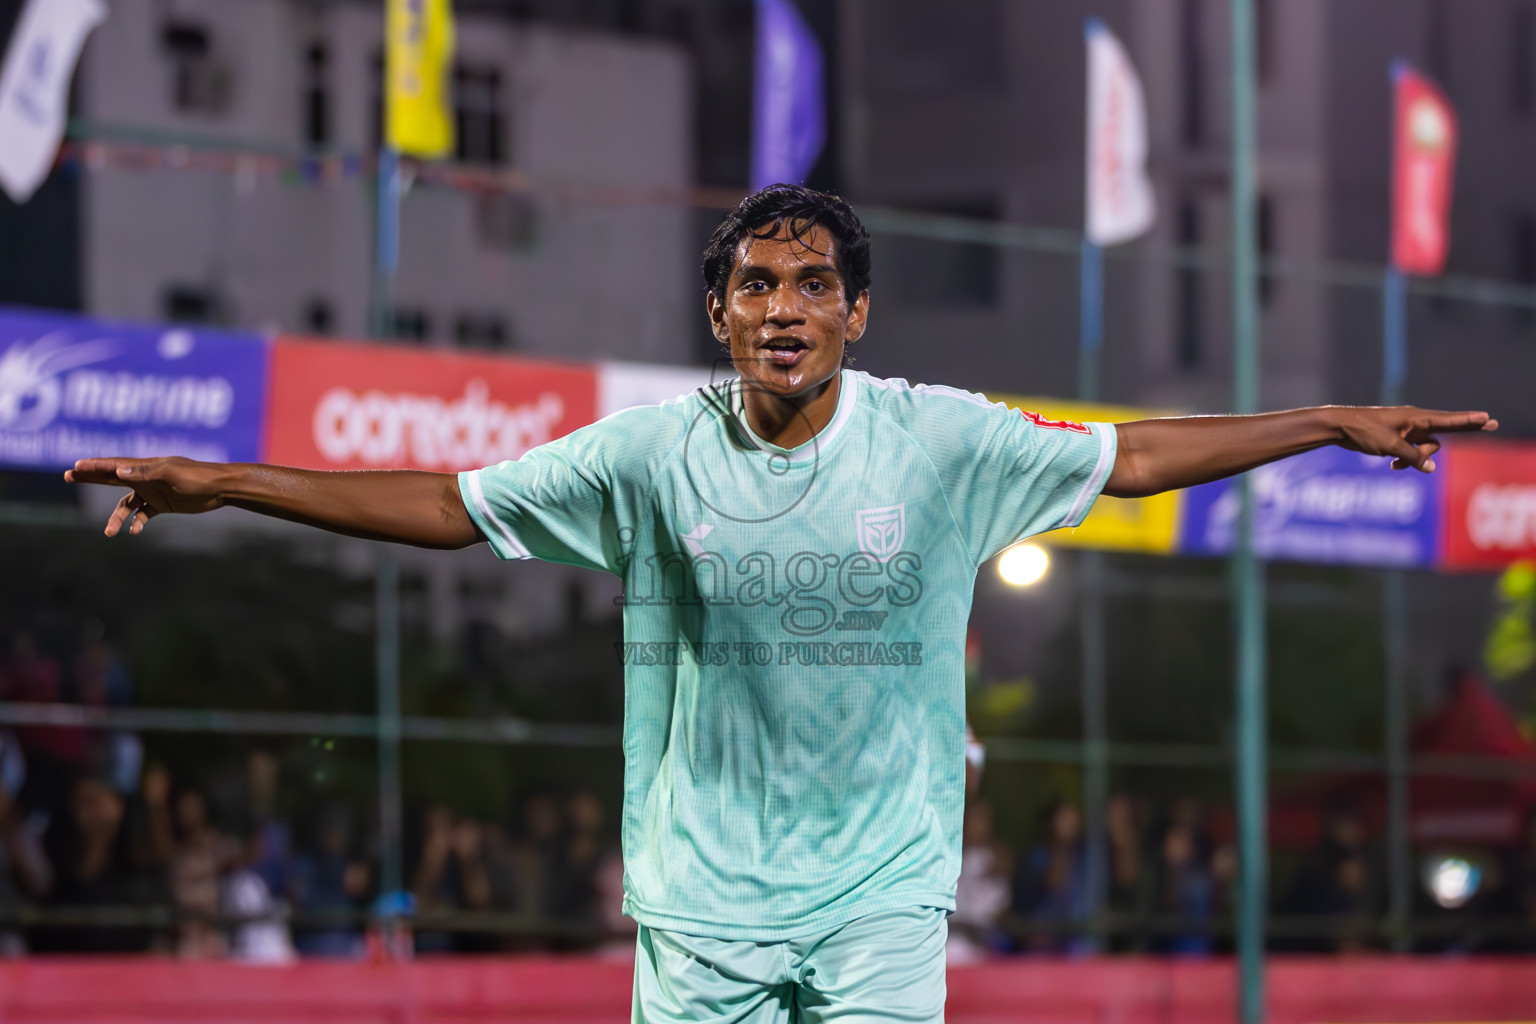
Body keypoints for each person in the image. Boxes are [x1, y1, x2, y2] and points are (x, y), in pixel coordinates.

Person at [64, 184, 1496, 1020]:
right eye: (757, 284)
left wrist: (1321, 418)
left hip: (881, 891)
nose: (785, 306)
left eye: (814, 283)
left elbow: (1135, 460)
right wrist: (227, 481)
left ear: (855, 315)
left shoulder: (938, 438)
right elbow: (450, 505)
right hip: (702, 904)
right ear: (722, 313)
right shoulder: (649, 453)